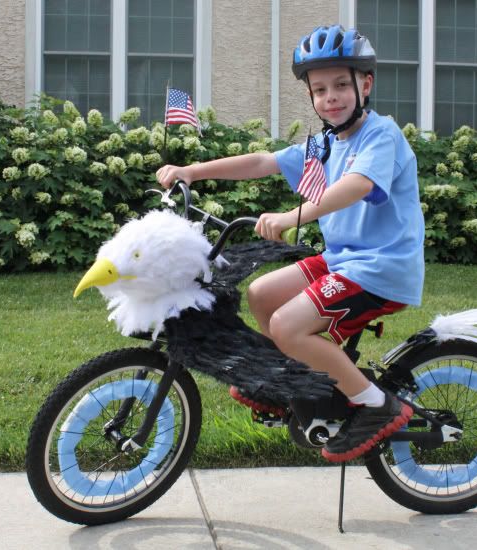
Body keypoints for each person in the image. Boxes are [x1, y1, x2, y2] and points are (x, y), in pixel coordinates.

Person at [156, 24, 424, 463]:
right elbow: (264, 161)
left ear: (366, 84)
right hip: (341, 260)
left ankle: (377, 405)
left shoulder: (381, 135)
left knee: (286, 326)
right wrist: (194, 169)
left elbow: (357, 185)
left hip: (380, 267)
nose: (330, 97)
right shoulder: (325, 142)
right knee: (261, 294)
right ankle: (296, 385)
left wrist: (292, 217)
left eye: (341, 84)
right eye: (319, 90)